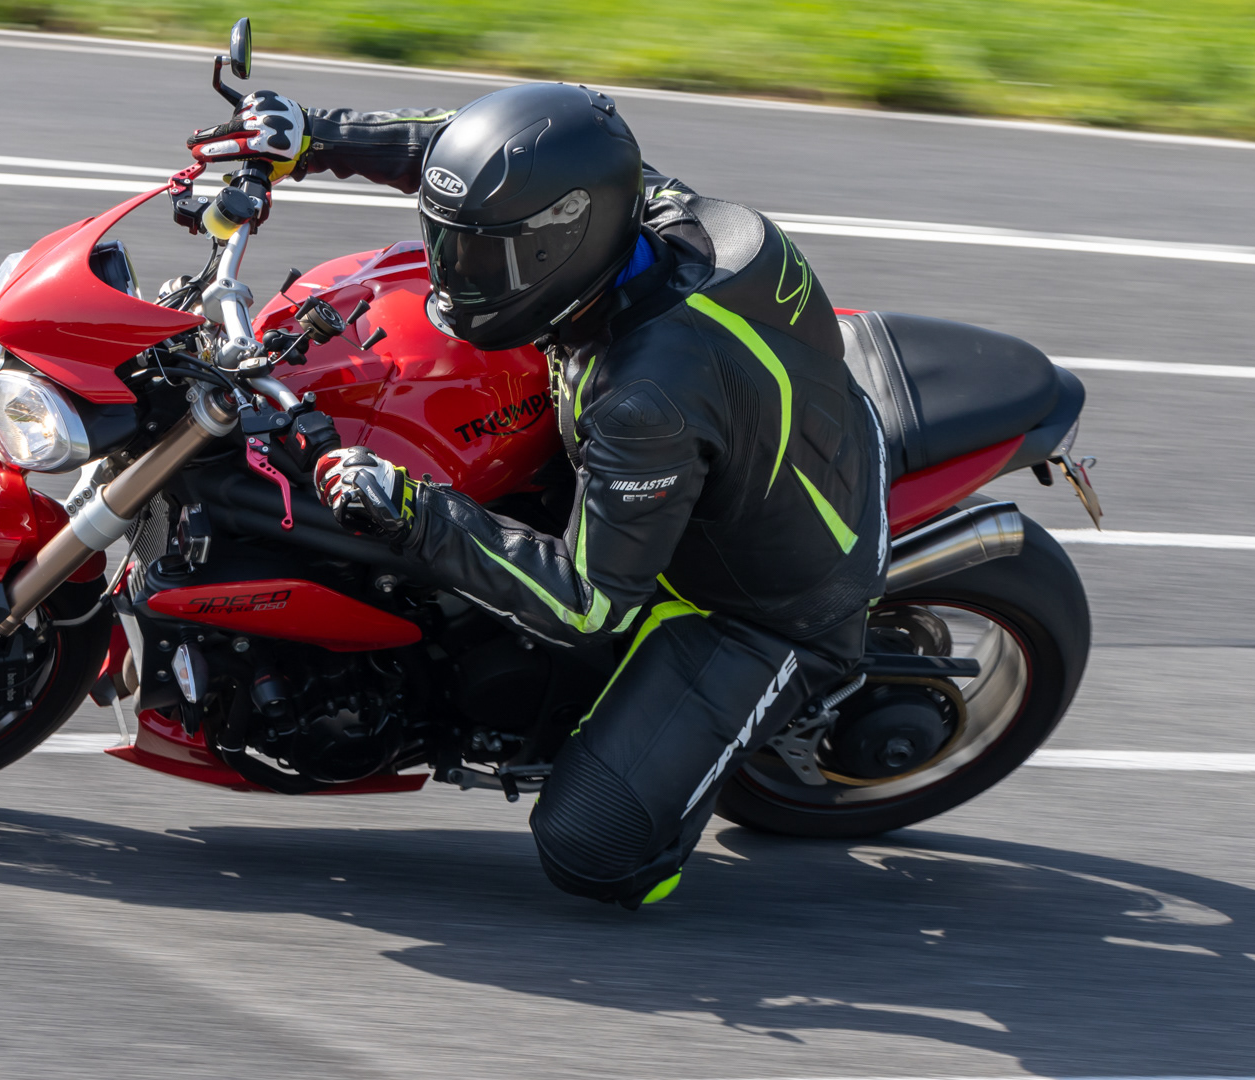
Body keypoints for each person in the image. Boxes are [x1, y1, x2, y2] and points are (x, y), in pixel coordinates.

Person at [189, 83, 888, 909]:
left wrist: (414, 512)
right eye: (454, 246)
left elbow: (590, 603)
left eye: (488, 259)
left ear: (566, 244)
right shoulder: (638, 209)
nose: (460, 271)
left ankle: (651, 749)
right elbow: (469, 155)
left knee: (592, 849)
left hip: (756, 604)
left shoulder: (642, 401)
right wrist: (314, 135)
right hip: (753, 444)